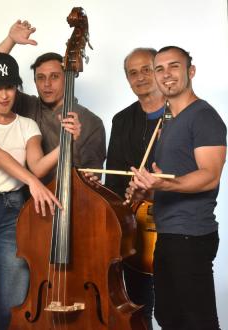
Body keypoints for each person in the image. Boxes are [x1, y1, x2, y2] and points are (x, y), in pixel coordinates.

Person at [0, 52, 78, 330]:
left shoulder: (27, 125)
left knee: (12, 307)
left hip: (11, 216)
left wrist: (66, 141)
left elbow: (38, 166)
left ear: (17, 88)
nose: (4, 95)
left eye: (10, 87)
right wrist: (31, 182)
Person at [129, 46, 226, 330]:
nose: (166, 74)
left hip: (192, 234)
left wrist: (164, 183)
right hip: (169, 233)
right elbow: (170, 182)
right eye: (159, 69)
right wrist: (146, 190)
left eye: (174, 66)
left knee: (198, 322)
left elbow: (210, 176)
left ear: (190, 71)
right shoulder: (168, 122)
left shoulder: (204, 116)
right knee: (170, 318)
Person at [0, 19, 106, 183]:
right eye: (41, 78)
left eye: (54, 76)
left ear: (67, 78)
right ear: (35, 81)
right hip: (27, 201)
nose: (47, 84)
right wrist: (10, 40)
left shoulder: (93, 122)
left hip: (72, 203)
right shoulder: (26, 105)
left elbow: (93, 178)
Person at [105, 47, 165, 330]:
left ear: (159, 71)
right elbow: (114, 182)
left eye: (146, 69)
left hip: (175, 223)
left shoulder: (181, 114)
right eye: (133, 72)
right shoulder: (121, 120)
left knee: (176, 305)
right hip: (135, 225)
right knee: (139, 304)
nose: (140, 77)